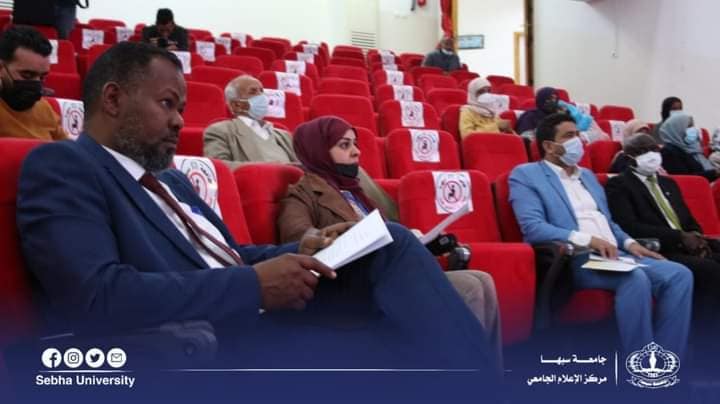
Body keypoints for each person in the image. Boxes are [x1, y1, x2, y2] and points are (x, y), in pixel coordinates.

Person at [16, 42, 496, 372]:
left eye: (181, 107)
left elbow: (229, 254)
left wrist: (304, 247)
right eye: (167, 104)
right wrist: (252, 286)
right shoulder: (65, 166)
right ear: (113, 99)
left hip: (253, 306)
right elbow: (97, 295)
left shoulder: (172, 181)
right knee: (422, 339)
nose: (180, 121)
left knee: (391, 242)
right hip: (218, 333)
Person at [276, 116, 503, 369]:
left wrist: (425, 243)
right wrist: (340, 239)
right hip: (353, 284)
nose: (356, 151)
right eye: (344, 145)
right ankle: (465, 375)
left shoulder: (356, 191)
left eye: (355, 143)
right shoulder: (302, 194)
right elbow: (300, 241)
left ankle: (490, 374)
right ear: (318, 150)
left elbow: (388, 236)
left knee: (483, 279)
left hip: (390, 270)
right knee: (471, 287)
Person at [509, 113, 693, 356]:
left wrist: (630, 243)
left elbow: (607, 222)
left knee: (679, 274)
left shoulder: (587, 176)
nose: (578, 140)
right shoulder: (526, 175)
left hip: (616, 254)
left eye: (578, 134)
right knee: (634, 278)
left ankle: (668, 359)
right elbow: (534, 228)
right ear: (549, 146)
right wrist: (588, 240)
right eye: (569, 136)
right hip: (576, 257)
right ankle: (641, 363)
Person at [605, 133, 720, 332]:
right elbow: (629, 226)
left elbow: (687, 219)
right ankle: (703, 337)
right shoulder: (620, 184)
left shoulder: (668, 183)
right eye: (642, 151)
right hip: (658, 248)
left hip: (687, 244)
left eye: (653, 149)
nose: (651, 154)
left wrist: (697, 238)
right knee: (709, 270)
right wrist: (680, 238)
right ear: (629, 157)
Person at [203, 75, 297, 170]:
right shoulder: (220, 131)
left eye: (262, 91)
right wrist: (270, 168)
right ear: (236, 105)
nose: (261, 96)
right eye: (253, 92)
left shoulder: (284, 135)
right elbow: (218, 167)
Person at [0, 26, 67, 141]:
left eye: (42, 77)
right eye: (27, 75)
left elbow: (68, 149)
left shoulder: (44, 109)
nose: (36, 83)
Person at [659, 112, 719, 181]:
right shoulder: (669, 152)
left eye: (692, 126)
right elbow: (685, 178)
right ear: (678, 129)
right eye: (688, 126)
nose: (692, 130)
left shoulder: (685, 148)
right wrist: (715, 173)